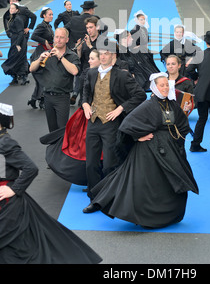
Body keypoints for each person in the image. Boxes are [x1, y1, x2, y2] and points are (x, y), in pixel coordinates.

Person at [86, 73, 199, 229]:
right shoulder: (147, 105)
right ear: (154, 87)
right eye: (162, 85)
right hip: (148, 152)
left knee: (170, 182)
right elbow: (127, 125)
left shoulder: (172, 105)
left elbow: (182, 125)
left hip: (169, 151)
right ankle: (102, 202)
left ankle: (169, 214)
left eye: (167, 85)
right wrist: (138, 137)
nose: (165, 88)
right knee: (137, 183)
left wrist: (176, 138)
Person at [0, 102, 102, 264]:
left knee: (16, 245)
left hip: (7, 203)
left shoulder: (5, 142)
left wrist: (14, 189)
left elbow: (30, 168)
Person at [82, 39, 147, 207]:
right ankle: (94, 199)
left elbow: (140, 95)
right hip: (93, 122)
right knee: (90, 164)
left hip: (111, 124)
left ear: (114, 55)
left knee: (109, 165)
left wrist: (121, 109)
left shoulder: (122, 75)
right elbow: (86, 92)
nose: (103, 57)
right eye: (101, 54)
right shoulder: (91, 73)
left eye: (106, 54)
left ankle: (110, 197)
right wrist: (85, 104)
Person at [40, 49, 103, 186]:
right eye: (89, 58)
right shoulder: (87, 73)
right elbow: (84, 93)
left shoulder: (106, 75)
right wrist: (85, 104)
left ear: (101, 60)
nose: (89, 61)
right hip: (85, 114)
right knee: (81, 147)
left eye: (92, 59)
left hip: (99, 116)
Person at [29, 28, 80, 132]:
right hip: (48, 97)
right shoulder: (47, 54)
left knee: (62, 130)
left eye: (62, 37)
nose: (58, 40)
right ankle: (53, 148)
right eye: (56, 37)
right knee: (52, 130)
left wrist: (61, 57)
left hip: (62, 98)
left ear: (67, 39)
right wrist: (39, 59)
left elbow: (74, 71)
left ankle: (61, 148)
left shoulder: (72, 56)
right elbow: (31, 69)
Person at [28, 7, 54, 109]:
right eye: (50, 14)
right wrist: (45, 41)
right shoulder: (41, 26)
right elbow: (33, 36)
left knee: (43, 79)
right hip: (40, 53)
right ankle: (42, 100)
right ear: (44, 15)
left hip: (47, 52)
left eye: (52, 14)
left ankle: (34, 99)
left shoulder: (48, 26)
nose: (52, 16)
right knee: (43, 78)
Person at [1, 3, 29, 85]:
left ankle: (23, 77)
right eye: (10, 8)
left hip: (19, 42)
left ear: (17, 10)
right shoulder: (12, 18)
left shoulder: (17, 19)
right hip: (15, 41)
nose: (11, 10)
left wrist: (18, 44)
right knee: (15, 58)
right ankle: (16, 77)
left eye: (13, 8)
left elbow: (21, 32)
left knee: (17, 59)